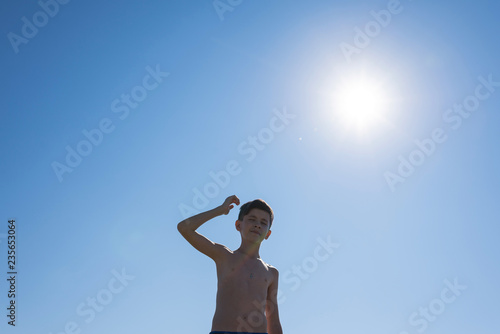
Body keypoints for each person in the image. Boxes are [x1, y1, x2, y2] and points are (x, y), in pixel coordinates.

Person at [177, 195, 283, 334]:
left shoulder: (271, 273)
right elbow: (184, 228)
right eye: (252, 219)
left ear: (268, 234)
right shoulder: (224, 256)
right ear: (238, 225)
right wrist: (220, 210)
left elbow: (273, 319)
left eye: (263, 222)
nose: (257, 224)